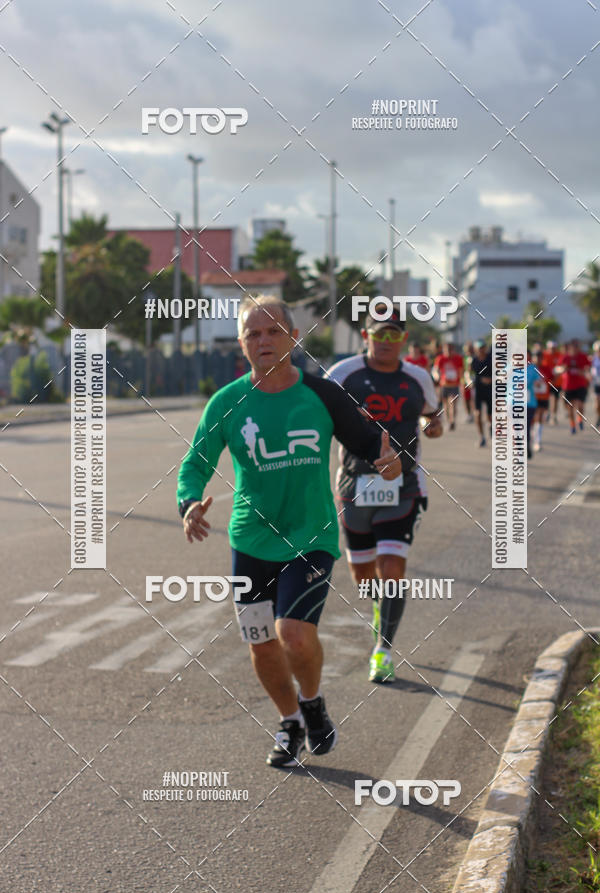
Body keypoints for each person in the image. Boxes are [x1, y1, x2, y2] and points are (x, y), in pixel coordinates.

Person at [177, 296, 403, 768]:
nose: (262, 341)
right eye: (252, 333)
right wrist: (189, 503)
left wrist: (388, 462)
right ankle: (290, 722)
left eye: (272, 331)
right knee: (261, 643)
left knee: (293, 635)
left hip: (310, 537)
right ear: (241, 342)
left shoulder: (322, 395)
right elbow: (195, 464)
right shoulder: (227, 402)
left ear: (293, 337)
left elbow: (370, 445)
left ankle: (313, 701)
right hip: (250, 540)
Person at [326, 305, 443, 684]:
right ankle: (381, 607)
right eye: (379, 333)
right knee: (363, 576)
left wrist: (432, 427)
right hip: (354, 485)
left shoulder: (417, 377)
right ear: (366, 336)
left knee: (392, 570)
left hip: (403, 485)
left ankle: (383, 650)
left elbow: (432, 415)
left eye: (393, 334)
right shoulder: (344, 374)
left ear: (403, 339)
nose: (386, 341)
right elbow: (317, 414)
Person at [556, 339, 590, 434]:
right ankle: (572, 425)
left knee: (580, 405)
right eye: (573, 347)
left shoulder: (583, 356)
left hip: (580, 385)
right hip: (568, 386)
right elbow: (557, 369)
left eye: (577, 347)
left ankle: (579, 419)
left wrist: (583, 372)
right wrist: (563, 369)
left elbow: (588, 368)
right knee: (570, 408)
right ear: (570, 348)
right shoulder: (565, 357)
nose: (575, 349)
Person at [433, 342, 463, 431]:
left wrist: (461, 382)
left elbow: (461, 371)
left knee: (453, 404)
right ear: (443, 350)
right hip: (444, 385)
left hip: (454, 385)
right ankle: (449, 420)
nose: (448, 352)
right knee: (445, 405)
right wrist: (437, 377)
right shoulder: (440, 358)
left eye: (450, 350)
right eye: (446, 350)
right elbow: (435, 370)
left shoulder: (458, 358)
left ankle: (452, 421)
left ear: (453, 350)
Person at [470, 342, 492, 447]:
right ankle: (481, 437)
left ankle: (491, 429)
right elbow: (469, 374)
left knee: (490, 416)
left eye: (483, 348)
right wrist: (469, 382)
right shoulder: (473, 360)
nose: (481, 350)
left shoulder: (491, 358)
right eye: (479, 348)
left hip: (490, 390)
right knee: (477, 414)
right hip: (478, 390)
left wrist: (491, 379)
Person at [531, 349, 553, 450]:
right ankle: (534, 438)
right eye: (536, 357)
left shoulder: (546, 368)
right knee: (535, 418)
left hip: (544, 397)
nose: (538, 359)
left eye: (540, 357)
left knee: (540, 417)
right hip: (532, 397)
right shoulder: (530, 369)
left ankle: (537, 440)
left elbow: (552, 380)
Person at [542, 340, 562, 424]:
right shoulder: (544, 355)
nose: (552, 350)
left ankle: (554, 415)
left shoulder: (559, 355)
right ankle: (547, 413)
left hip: (557, 381)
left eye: (554, 348)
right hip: (547, 381)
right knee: (546, 398)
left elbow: (561, 367)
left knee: (555, 399)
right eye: (551, 348)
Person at [462, 342, 475, 424]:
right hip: (465, 380)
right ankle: (468, 414)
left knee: (473, 398)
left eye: (470, 349)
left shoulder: (475, 357)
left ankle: (474, 413)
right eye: (467, 349)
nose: (469, 351)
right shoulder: (464, 358)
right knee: (466, 398)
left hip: (473, 380)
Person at [590, 340, 600, 429]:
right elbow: (592, 371)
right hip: (597, 383)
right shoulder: (594, 359)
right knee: (597, 403)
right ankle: (598, 417)